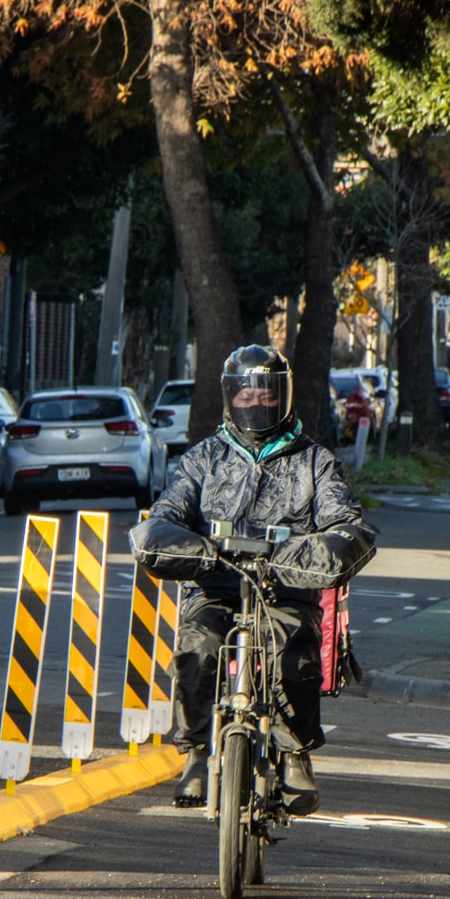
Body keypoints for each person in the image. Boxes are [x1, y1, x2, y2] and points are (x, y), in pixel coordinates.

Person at [130, 345, 376, 814]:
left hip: (284, 587)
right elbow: (166, 514)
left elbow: (344, 519)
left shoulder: (314, 461)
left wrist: (309, 552)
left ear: (283, 397)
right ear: (229, 395)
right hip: (215, 585)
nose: (254, 402)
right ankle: (198, 754)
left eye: (265, 393)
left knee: (293, 650)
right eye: (244, 393)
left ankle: (295, 752)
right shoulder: (203, 458)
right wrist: (195, 551)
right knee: (197, 647)